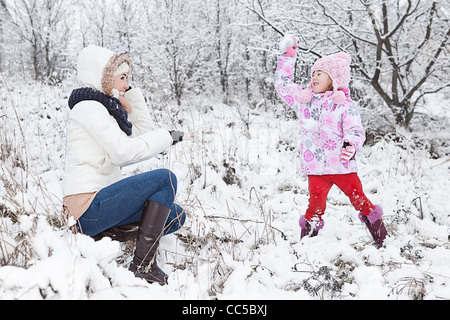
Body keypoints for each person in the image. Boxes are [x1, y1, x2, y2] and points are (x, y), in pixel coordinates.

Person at [62, 45, 192, 285]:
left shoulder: (106, 110)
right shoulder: (88, 108)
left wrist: (131, 98)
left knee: (175, 215)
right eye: (122, 78)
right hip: (86, 208)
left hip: (100, 206)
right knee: (165, 179)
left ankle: (103, 239)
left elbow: (142, 136)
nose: (125, 84)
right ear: (103, 77)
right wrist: (168, 135)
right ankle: (143, 266)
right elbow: (124, 152)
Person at [274, 36, 387, 248]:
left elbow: (355, 130)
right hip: (316, 168)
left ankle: (381, 236)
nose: (314, 77)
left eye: (320, 73)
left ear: (334, 79)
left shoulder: (344, 105)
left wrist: (350, 145)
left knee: (359, 199)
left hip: (342, 166)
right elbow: (282, 85)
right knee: (315, 205)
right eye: (313, 73)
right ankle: (307, 241)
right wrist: (287, 58)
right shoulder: (304, 101)